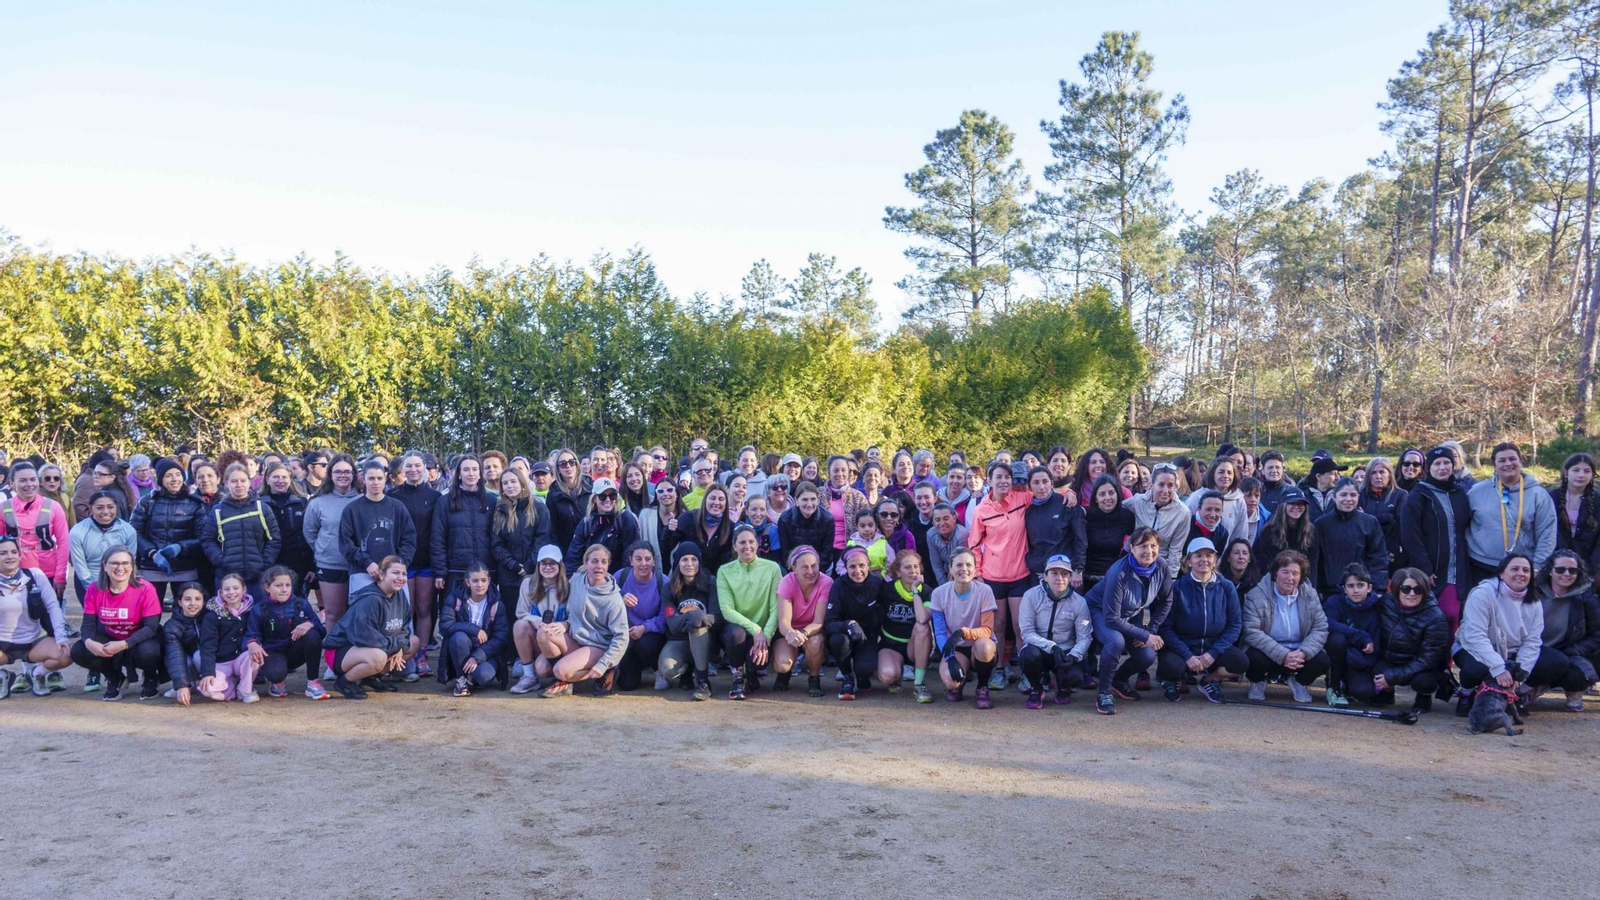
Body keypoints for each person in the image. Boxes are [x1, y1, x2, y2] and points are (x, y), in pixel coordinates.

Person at [1451, 552, 1565, 717]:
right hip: (1472, 648)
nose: (1521, 574)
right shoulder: (1482, 593)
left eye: (1526, 570)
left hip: (1512, 652)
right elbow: (1475, 636)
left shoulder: (1534, 600)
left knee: (1558, 661)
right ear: (1501, 573)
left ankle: (1515, 695)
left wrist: (1520, 677)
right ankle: (1466, 694)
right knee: (1476, 668)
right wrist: (1498, 668)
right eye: (1515, 569)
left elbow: (1532, 642)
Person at [1086, 527, 1173, 715]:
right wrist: (1144, 635)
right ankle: (1104, 692)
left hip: (1130, 614)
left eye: (1153, 546)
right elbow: (1112, 619)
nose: (1149, 551)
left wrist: (1150, 629)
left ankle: (1118, 679)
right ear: (1131, 548)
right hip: (1100, 611)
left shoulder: (1162, 566)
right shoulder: (1118, 572)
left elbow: (1166, 600)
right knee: (1115, 641)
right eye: (1143, 546)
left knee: (1147, 655)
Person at [1156, 537, 1246, 703]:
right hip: (1184, 647)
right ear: (1188, 561)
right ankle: (1172, 681)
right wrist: (1187, 655)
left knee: (1241, 662)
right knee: (1170, 666)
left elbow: (1235, 625)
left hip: (1213, 647)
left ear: (1215, 560)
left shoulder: (1226, 587)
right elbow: (1166, 627)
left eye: (1209, 555)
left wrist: (1213, 653)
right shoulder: (1176, 587)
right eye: (1198, 555)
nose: (1204, 560)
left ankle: (1209, 680)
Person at [968, 460, 1032, 691]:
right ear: (989, 480)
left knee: (1020, 626)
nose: (1004, 481)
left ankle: (1027, 672)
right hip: (993, 577)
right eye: (999, 477)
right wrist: (977, 574)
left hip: (1020, 574)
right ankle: (999, 670)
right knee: (998, 626)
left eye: (1007, 477)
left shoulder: (1023, 498)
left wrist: (1071, 495)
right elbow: (974, 545)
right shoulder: (981, 510)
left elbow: (1047, 496)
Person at [1398, 446, 1473, 638]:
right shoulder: (1419, 494)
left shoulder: (1459, 493)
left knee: (1453, 616)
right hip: (1431, 568)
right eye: (1437, 464)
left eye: (1446, 463)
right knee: (1432, 619)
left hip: (1456, 568)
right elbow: (1410, 534)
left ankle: (1448, 656)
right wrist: (1424, 568)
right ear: (1428, 468)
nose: (1442, 467)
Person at [70, 546, 163, 701]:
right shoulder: (94, 589)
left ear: (132, 567)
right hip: (110, 637)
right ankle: (115, 678)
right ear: (104, 566)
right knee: (79, 650)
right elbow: (88, 625)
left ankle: (151, 677)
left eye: (126, 563)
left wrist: (125, 644)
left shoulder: (146, 588)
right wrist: (88, 642)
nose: (120, 568)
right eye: (114, 563)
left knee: (149, 650)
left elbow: (151, 627)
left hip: (139, 640)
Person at [536, 543, 628, 699]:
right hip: (576, 639)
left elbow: (622, 637)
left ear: (608, 565)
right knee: (542, 645)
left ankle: (605, 671)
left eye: (603, 562)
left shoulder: (614, 599)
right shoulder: (577, 580)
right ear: (586, 564)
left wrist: (604, 663)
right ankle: (565, 677)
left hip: (598, 646)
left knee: (560, 670)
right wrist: (566, 624)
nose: (599, 566)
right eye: (594, 561)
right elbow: (570, 610)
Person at [322, 555, 420, 700]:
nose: (401, 578)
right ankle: (345, 682)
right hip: (341, 651)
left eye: (404, 574)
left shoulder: (399, 595)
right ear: (381, 574)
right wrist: (395, 646)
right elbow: (365, 637)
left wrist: (399, 646)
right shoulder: (371, 599)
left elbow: (404, 627)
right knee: (378, 657)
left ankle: (370, 678)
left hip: (376, 646)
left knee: (414, 642)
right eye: (395, 573)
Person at [1241, 550, 1331, 704]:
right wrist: (1283, 655)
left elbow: (1320, 628)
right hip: (1269, 653)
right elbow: (1251, 631)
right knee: (1253, 657)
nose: (1290, 578)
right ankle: (1257, 682)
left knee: (1322, 660)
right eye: (1285, 572)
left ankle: (1300, 682)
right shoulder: (1255, 595)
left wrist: (1303, 652)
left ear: (1301, 577)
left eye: (1295, 573)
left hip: (1299, 653)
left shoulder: (1310, 595)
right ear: (1275, 573)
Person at [1464, 443, 1557, 587]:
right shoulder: (1476, 492)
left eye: (1512, 459)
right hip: (1481, 565)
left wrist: (1538, 566)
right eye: (1502, 460)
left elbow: (1547, 534)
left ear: (1521, 461)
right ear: (1494, 466)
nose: (1508, 464)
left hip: (1521, 568)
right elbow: (1463, 524)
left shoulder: (1538, 494)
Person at [1363, 567, 1450, 712]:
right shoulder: (1385, 603)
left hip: (1421, 665)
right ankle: (1387, 692)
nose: (1412, 594)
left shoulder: (1436, 618)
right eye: (1406, 589)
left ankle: (1423, 696)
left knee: (1424, 682)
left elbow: (1429, 659)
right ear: (1397, 588)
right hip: (1391, 658)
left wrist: (1394, 676)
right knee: (1377, 671)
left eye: (1418, 590)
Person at [928, 547, 1000, 708]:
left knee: (985, 647)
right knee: (950, 682)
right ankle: (959, 684)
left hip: (978, 645)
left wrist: (962, 632)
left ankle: (982, 687)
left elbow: (987, 630)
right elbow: (940, 632)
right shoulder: (939, 593)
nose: (964, 569)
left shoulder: (985, 591)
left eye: (968, 565)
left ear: (975, 568)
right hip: (955, 648)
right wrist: (950, 658)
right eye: (959, 565)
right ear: (950, 568)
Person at [0, 535, 71, 698]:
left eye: (13, 552)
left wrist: (61, 637)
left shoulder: (35, 575)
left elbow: (53, 606)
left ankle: (36, 674)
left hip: (33, 641)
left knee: (67, 653)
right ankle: (2, 677)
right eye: (3, 553)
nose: (10, 556)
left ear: (20, 555)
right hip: (2, 644)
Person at [716, 524, 781, 700]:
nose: (747, 546)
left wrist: (766, 635)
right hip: (739, 629)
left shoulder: (772, 568)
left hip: (764, 631)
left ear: (757, 544)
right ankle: (738, 677)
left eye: (751, 542)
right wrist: (755, 629)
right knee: (735, 634)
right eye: (742, 542)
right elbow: (727, 610)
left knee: (758, 661)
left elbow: (776, 607)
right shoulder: (724, 571)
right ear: (734, 545)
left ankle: (751, 673)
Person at [243, 565, 327, 699]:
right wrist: (252, 643)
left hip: (296, 650)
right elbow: (251, 634)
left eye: (288, 585)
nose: (284, 589)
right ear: (267, 587)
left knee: (312, 635)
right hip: (273, 652)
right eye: (278, 585)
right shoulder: (259, 609)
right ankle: (277, 682)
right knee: (276, 674)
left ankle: (313, 682)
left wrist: (310, 624)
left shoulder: (301, 604)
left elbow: (321, 630)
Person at [391, 452, 442, 673]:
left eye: (418, 465)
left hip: (427, 561)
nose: (413, 470)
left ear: (425, 468)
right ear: (402, 469)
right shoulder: (393, 496)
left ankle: (422, 655)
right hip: (403, 562)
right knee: (406, 610)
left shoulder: (435, 497)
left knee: (424, 609)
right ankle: (405, 654)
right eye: (409, 466)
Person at [1532, 550, 1600, 711]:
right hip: (1535, 651)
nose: (1566, 574)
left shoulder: (1586, 597)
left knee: (1578, 675)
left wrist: (1573, 651)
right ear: (1550, 570)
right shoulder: (1533, 593)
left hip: (1569, 652)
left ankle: (1573, 691)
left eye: (1572, 570)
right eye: (1560, 569)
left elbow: (1597, 635)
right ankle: (1534, 686)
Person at [131, 457, 206, 603]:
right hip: (152, 566)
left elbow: (202, 536)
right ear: (160, 480)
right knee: (150, 608)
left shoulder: (194, 503)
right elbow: (135, 532)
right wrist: (152, 553)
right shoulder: (147, 501)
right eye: (168, 475)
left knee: (186, 608)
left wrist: (181, 547)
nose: (174, 479)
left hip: (185, 567)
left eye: (178, 475)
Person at [200, 463, 280, 594]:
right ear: (226, 483)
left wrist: (264, 563)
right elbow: (207, 540)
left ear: (249, 482)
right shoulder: (218, 511)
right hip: (227, 577)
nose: (239, 485)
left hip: (258, 577)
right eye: (234, 481)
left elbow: (274, 538)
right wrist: (222, 561)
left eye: (243, 480)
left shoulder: (262, 508)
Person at [340, 459, 417, 596]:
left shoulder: (398, 507)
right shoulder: (352, 509)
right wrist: (367, 563)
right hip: (363, 572)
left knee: (397, 610)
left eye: (379, 478)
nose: (375, 482)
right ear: (363, 479)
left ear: (385, 478)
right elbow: (346, 544)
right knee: (365, 609)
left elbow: (409, 539)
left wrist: (399, 565)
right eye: (371, 478)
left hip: (394, 574)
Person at [435, 561, 510, 697]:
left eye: (483, 580)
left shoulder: (497, 604)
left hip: (486, 652)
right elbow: (445, 626)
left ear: (489, 581)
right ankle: (461, 680)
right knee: (458, 637)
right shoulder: (455, 598)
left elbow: (500, 637)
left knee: (483, 676)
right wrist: (474, 629)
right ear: (467, 582)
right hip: (461, 648)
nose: (479, 585)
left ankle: (473, 677)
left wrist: (477, 657)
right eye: (475, 581)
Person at [303, 453, 359, 635]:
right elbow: (310, 532)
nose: (343, 475)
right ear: (330, 475)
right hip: (330, 565)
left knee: (357, 614)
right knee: (334, 614)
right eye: (338, 472)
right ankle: (332, 651)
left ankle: (355, 650)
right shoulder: (318, 502)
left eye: (347, 472)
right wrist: (324, 549)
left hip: (359, 566)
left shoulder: (363, 500)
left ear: (353, 474)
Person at [656, 542, 719, 701]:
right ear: (678, 563)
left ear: (699, 562)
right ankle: (688, 670)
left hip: (706, 640)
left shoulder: (711, 582)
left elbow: (717, 617)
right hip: (679, 640)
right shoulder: (669, 588)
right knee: (667, 670)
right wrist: (694, 615)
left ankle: (702, 681)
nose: (689, 564)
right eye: (684, 560)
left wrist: (693, 619)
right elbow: (672, 624)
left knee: (698, 627)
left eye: (693, 559)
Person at [1, 461, 70, 601]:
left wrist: (60, 575)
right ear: (12, 483)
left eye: (33, 479)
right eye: (23, 480)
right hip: (14, 572)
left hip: (48, 571)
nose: (29, 484)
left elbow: (64, 542)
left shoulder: (53, 507)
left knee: (50, 611)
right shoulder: (3, 509)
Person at [430, 455, 495, 601]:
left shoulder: (491, 501)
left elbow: (496, 537)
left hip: (485, 571)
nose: (471, 473)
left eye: (474, 469)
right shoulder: (444, 502)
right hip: (456, 571)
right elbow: (437, 539)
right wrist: (440, 571)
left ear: (480, 473)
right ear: (458, 474)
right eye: (466, 470)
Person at [509, 545, 571, 693]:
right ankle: (529, 675)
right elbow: (521, 613)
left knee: (543, 669)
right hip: (538, 636)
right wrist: (536, 621)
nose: (548, 567)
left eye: (552, 563)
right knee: (519, 625)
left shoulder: (569, 586)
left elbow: (574, 616)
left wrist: (564, 624)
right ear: (538, 565)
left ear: (560, 565)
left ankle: (563, 675)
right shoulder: (528, 584)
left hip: (558, 640)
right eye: (544, 563)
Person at [1312, 478, 1389, 598]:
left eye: (1353, 495)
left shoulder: (1369, 522)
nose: (1348, 499)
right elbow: (1317, 560)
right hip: (1331, 591)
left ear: (1358, 497)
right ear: (1334, 497)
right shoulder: (1321, 524)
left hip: (1361, 590)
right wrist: (1318, 588)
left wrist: (1378, 589)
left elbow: (1378, 558)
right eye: (1343, 495)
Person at [773, 545, 833, 697]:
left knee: (815, 642)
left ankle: (814, 678)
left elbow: (818, 621)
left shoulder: (826, 582)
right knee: (782, 665)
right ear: (794, 568)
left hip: (812, 631)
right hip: (789, 631)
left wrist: (803, 633)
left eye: (814, 566)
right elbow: (783, 622)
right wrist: (792, 634)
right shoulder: (786, 582)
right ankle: (785, 674)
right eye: (805, 567)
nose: (811, 571)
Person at [193, 572, 261, 703]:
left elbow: (257, 633)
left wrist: (254, 643)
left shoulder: (253, 611)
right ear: (221, 592)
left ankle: (245, 690)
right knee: (207, 690)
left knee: (254, 653)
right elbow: (208, 645)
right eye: (227, 589)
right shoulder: (212, 615)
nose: (231, 592)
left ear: (244, 590)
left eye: (236, 588)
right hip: (221, 662)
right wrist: (208, 672)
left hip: (241, 659)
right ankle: (231, 689)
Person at [1322, 563, 1382, 708]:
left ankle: (1348, 684)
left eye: (1360, 585)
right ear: (1344, 589)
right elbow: (1328, 623)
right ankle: (1334, 686)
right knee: (1336, 639)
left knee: (1363, 692)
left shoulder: (1379, 606)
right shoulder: (1334, 602)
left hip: (1362, 659)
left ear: (1369, 588)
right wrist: (1360, 636)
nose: (1355, 590)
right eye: (1350, 586)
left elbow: (1376, 645)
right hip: (1340, 654)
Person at [613, 541, 670, 692]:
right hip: (626, 638)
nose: (644, 564)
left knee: (646, 645)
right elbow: (605, 603)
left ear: (654, 560)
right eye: (638, 559)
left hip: (651, 636)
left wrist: (644, 628)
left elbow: (665, 616)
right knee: (626, 685)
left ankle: (659, 671)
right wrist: (620, 599)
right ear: (631, 560)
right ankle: (633, 667)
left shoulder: (663, 582)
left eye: (648, 559)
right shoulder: (620, 577)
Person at [491, 467, 552, 603]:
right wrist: (514, 565)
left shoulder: (539, 508)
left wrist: (528, 566)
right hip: (508, 576)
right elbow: (496, 545)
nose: (509, 486)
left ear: (522, 483)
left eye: (513, 481)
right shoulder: (499, 511)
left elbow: (542, 540)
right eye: (505, 483)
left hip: (535, 574)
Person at [1024, 465, 1087, 594]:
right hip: (1037, 573)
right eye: (1036, 483)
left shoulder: (1067, 504)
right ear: (1029, 487)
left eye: (1045, 481)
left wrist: (1078, 569)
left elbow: (1080, 540)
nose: (1041, 487)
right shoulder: (1028, 511)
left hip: (1064, 573)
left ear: (1051, 483)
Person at [69, 490, 138, 604]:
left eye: (110, 507)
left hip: (119, 580)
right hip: (87, 581)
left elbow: (130, 562)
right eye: (99, 508)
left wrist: (119, 586)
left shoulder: (128, 530)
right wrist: (94, 589)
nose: (106, 511)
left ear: (116, 507)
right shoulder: (78, 531)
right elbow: (80, 566)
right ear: (91, 509)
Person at [563, 478, 641, 575]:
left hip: (618, 578)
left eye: (612, 496)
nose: (608, 500)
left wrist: (622, 579)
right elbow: (573, 558)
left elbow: (631, 554)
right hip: (592, 578)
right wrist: (571, 581)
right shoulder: (586, 523)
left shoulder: (625, 519)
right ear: (594, 499)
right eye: (602, 496)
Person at [1125, 463, 1188, 579]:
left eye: (1170, 485)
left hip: (1160, 566)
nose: (1165, 490)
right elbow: (1116, 508)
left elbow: (1176, 549)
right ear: (1152, 485)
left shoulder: (1183, 513)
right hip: (1134, 561)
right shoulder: (1138, 501)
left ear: (1175, 487)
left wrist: (1171, 577)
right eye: (1161, 485)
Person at [260, 462, 313, 591]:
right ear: (267, 479)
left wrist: (312, 566)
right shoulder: (258, 504)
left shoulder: (302, 502)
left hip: (299, 565)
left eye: (284, 477)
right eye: (275, 477)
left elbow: (310, 535)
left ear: (290, 480)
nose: (280, 481)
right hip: (270, 564)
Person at [161, 582, 213, 706]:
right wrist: (181, 685)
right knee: (186, 659)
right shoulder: (171, 626)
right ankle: (189, 685)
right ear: (180, 602)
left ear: (204, 602)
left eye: (197, 599)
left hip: (207, 663)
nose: (193, 603)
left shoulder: (211, 619)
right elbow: (174, 656)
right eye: (187, 599)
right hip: (187, 664)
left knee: (199, 655)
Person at [1253, 486, 1316, 582]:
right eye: (1292, 503)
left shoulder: (1311, 531)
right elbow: (1265, 565)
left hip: (1303, 583)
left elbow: (1313, 564)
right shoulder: (1268, 531)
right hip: (1274, 583)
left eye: (1301, 504)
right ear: (1283, 506)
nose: (1297, 507)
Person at [1551, 453, 1600, 573]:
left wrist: (1593, 567)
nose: (1581, 475)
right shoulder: (1551, 498)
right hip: (1555, 564)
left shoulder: (1597, 500)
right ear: (1566, 472)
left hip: (1589, 564)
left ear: (1592, 475)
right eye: (1576, 470)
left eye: (1587, 471)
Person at [778, 481, 836, 576]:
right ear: (796, 501)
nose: (809, 504)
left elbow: (826, 552)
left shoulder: (827, 519)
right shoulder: (785, 519)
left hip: (821, 567)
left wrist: (813, 572)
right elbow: (786, 552)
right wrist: (799, 572)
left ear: (818, 500)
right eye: (805, 500)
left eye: (813, 499)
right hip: (794, 568)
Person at [1358, 458, 1407, 567]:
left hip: (1392, 552)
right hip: (1365, 551)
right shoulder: (1360, 495)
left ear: (1390, 474)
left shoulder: (1400, 495)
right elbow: (1358, 523)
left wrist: (1369, 517)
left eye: (1382, 472)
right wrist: (1388, 517)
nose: (1378, 476)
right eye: (1373, 473)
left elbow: (1401, 523)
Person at [1188, 457, 1248, 542]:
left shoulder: (1239, 500)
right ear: (1213, 474)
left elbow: (1241, 533)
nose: (1226, 476)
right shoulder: (1197, 497)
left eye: (1229, 473)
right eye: (1221, 472)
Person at [545, 448, 590, 552]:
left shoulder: (590, 486)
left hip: (592, 549)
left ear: (577, 464)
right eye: (563, 464)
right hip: (568, 550)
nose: (568, 466)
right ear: (558, 469)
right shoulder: (553, 495)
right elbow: (552, 530)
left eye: (571, 462)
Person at [638, 475, 685, 569]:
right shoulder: (645, 515)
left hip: (678, 571)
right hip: (650, 570)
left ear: (677, 494)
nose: (665, 494)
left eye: (669, 490)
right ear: (656, 495)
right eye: (660, 491)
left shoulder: (685, 517)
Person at [1184, 490, 1231, 565]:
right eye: (1208, 509)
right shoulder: (1186, 524)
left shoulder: (1222, 533)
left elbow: (1214, 561)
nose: (1213, 515)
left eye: (1217, 510)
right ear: (1199, 509)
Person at [1255, 450, 1291, 515]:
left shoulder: (1291, 492)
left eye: (1277, 467)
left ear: (1282, 470)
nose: (1274, 470)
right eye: (1270, 468)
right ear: (1263, 471)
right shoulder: (1256, 492)